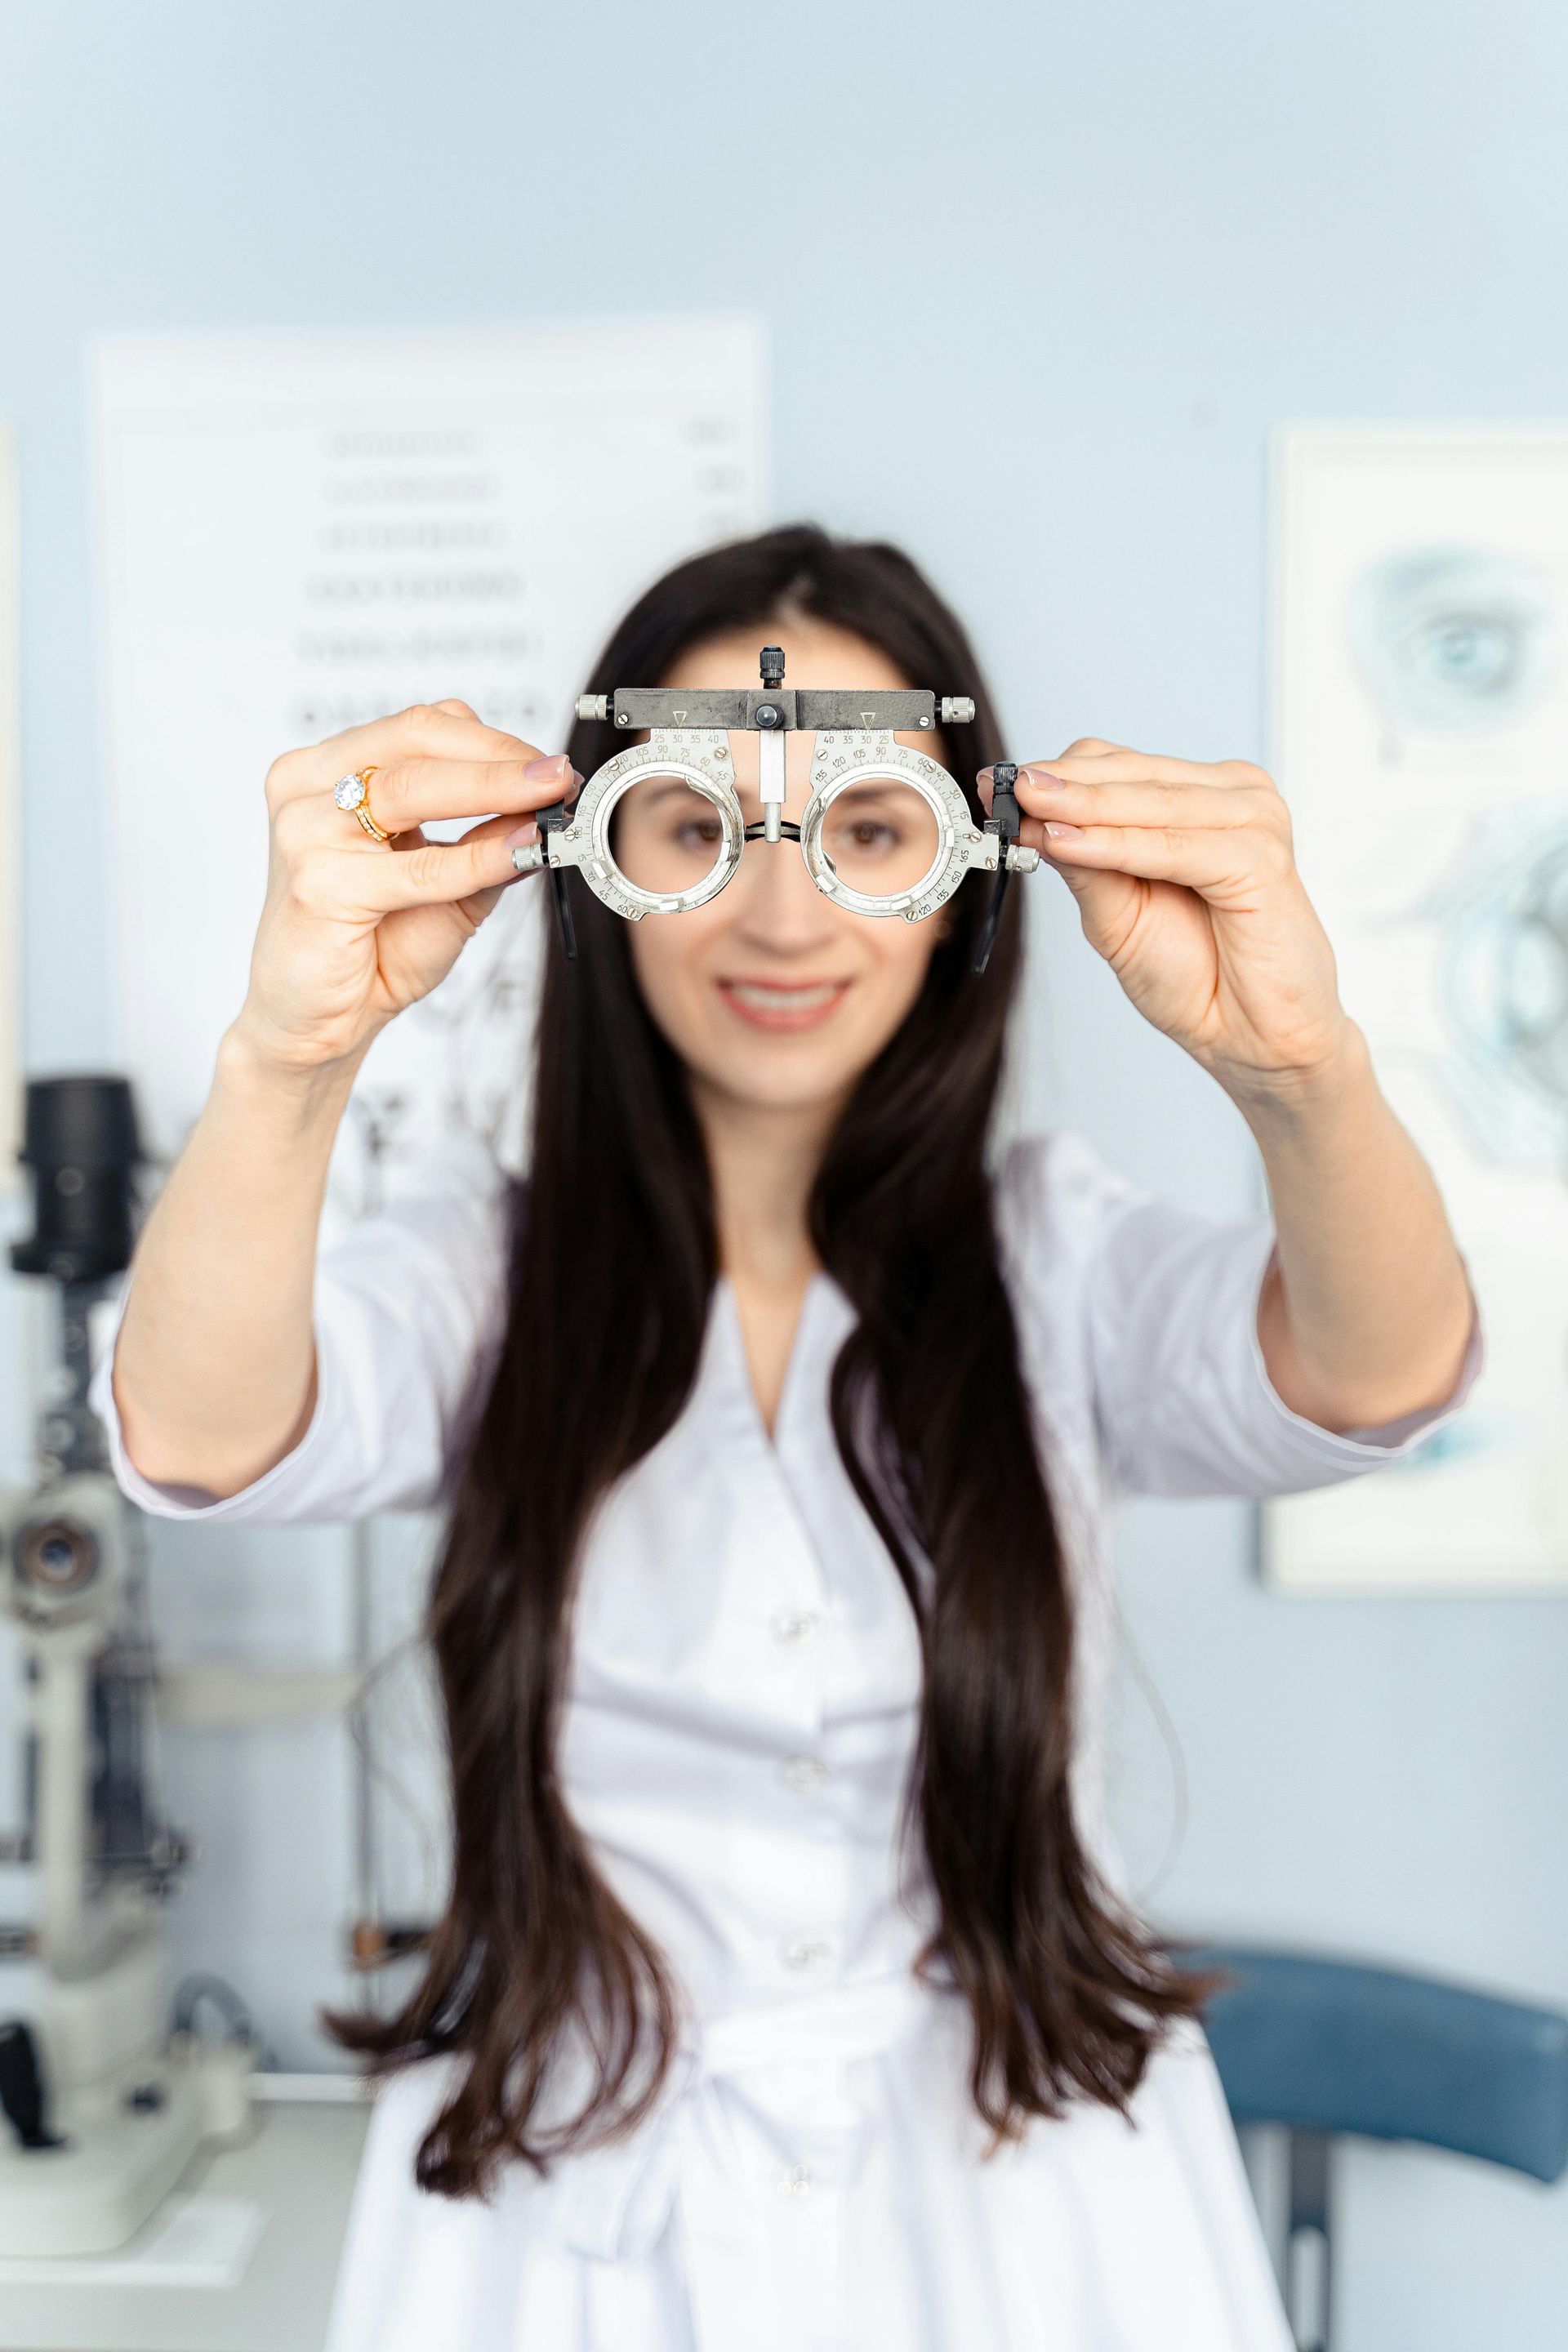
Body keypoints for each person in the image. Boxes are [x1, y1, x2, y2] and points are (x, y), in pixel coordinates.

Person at [90, 525, 1479, 2351]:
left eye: (867, 830)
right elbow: (200, 1436)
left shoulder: (1052, 1254)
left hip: (1023, 2191)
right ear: (596, 853)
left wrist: (1303, 1068)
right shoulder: (481, 1275)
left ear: (967, 867)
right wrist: (291, 1047)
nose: (781, 909)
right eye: (694, 821)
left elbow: (1372, 1376)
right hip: (567, 2191)